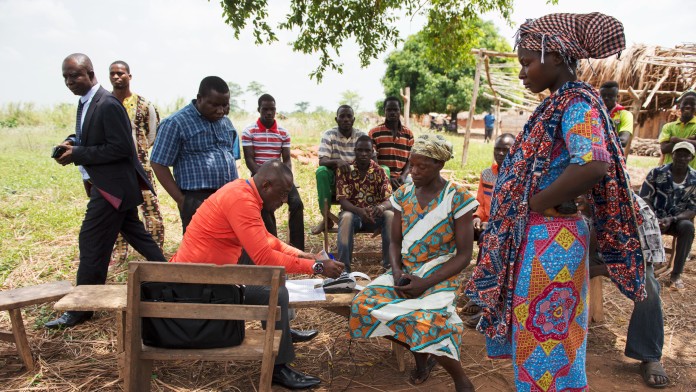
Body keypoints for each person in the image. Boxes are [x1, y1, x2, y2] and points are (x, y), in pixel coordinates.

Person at [466, 13, 647, 391]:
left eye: (527, 63)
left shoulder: (577, 104)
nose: (522, 73)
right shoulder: (558, 104)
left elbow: (593, 163)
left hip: (553, 240)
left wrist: (534, 202)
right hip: (543, 237)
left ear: (558, 57)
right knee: (538, 335)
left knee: (546, 338)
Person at [170, 160, 345, 390]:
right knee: (274, 292)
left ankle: (281, 331)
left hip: (206, 278)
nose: (284, 201)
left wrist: (307, 255)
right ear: (266, 185)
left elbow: (268, 241)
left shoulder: (243, 191)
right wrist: (317, 268)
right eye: (282, 194)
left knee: (276, 273)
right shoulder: (241, 200)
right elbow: (264, 256)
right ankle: (278, 368)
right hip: (199, 289)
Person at [350, 134, 478, 392]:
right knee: (362, 305)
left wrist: (426, 282)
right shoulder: (404, 195)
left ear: (439, 165)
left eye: (423, 166)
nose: (414, 171)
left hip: (440, 274)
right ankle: (421, 355)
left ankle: (460, 380)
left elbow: (464, 255)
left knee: (425, 321)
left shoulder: (458, 198)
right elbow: (395, 242)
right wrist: (397, 273)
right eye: (412, 164)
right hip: (406, 270)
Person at [46, 53, 166, 329]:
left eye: (74, 75)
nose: (69, 81)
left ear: (89, 73)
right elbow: (95, 137)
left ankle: (81, 307)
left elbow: (122, 148)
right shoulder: (88, 103)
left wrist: (78, 153)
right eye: (65, 77)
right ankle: (177, 279)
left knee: (91, 243)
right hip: (112, 188)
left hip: (111, 189)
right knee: (141, 239)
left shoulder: (107, 103)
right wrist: (72, 141)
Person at [589, 193, 670, 388]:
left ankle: (649, 355)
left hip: (630, 260)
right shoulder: (573, 201)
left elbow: (647, 260)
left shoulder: (638, 209)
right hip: (589, 256)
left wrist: (608, 268)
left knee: (648, 288)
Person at [150, 76, 240, 233]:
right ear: (199, 98)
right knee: (200, 251)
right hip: (197, 198)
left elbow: (231, 155)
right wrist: (181, 199)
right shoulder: (175, 123)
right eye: (214, 105)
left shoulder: (225, 122)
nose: (220, 110)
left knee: (230, 247)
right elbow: (158, 163)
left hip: (228, 196)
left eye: (224, 105)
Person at [108, 60, 164, 264]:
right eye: (112, 73)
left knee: (151, 209)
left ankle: (155, 254)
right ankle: (119, 255)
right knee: (117, 211)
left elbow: (152, 136)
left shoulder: (144, 105)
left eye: (121, 73)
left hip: (141, 168)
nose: (116, 77)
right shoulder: (104, 103)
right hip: (114, 170)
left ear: (129, 76)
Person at [241, 94, 304, 251]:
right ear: (259, 110)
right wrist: (263, 179)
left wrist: (287, 180)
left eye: (272, 109)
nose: (269, 112)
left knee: (297, 203)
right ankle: (274, 248)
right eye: (265, 109)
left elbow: (287, 159)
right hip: (260, 180)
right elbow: (249, 160)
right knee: (266, 208)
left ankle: (298, 249)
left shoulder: (283, 132)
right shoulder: (249, 131)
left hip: (280, 178)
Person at [640, 141, 696, 290]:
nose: (681, 158)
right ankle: (645, 269)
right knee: (641, 223)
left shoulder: (694, 179)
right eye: (679, 154)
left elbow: (692, 209)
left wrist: (673, 219)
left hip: (677, 220)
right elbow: (645, 197)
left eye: (686, 156)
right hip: (655, 217)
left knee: (688, 228)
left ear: (691, 157)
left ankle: (676, 275)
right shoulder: (657, 173)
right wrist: (653, 217)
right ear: (673, 155)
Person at [336, 135, 393, 272]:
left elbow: (389, 199)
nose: (363, 154)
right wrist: (359, 211)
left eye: (367, 151)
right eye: (360, 150)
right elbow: (343, 200)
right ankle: (344, 270)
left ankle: (390, 267)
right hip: (354, 215)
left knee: (391, 215)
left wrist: (381, 207)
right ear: (355, 151)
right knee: (346, 217)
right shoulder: (345, 170)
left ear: (372, 152)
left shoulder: (380, 171)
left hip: (374, 215)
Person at [311, 105, 367, 234]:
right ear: (336, 119)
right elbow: (322, 160)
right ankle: (326, 218)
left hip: (358, 179)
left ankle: (376, 217)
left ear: (353, 120)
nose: (346, 119)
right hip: (336, 179)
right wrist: (337, 162)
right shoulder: (329, 134)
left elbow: (372, 157)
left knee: (382, 169)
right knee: (321, 172)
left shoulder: (361, 135)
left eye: (349, 116)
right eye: (342, 116)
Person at [472, 133, 515, 242]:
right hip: (485, 223)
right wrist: (477, 217)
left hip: (507, 225)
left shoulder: (518, 177)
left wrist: (492, 223)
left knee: (485, 238)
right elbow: (481, 204)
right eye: (497, 149)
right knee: (461, 231)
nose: (500, 153)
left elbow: (514, 210)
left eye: (505, 150)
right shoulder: (487, 174)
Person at [369, 97, 414, 190]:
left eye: (395, 109)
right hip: (380, 176)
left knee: (412, 194)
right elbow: (372, 159)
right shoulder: (374, 133)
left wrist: (404, 176)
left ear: (400, 110)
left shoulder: (408, 134)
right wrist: (387, 177)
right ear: (384, 111)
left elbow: (411, 159)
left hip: (402, 178)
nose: (392, 112)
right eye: (389, 110)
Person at [658, 91, 696, 169]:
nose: (688, 106)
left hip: (692, 174)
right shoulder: (668, 127)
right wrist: (690, 140)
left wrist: (676, 139)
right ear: (679, 106)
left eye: (692, 104)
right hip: (669, 172)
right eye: (685, 103)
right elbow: (664, 149)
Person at [599, 80, 633, 148]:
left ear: (618, 97)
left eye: (610, 96)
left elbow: (623, 141)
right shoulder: (595, 113)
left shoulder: (625, 115)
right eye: (603, 96)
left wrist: (596, 141)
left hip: (614, 156)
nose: (606, 98)